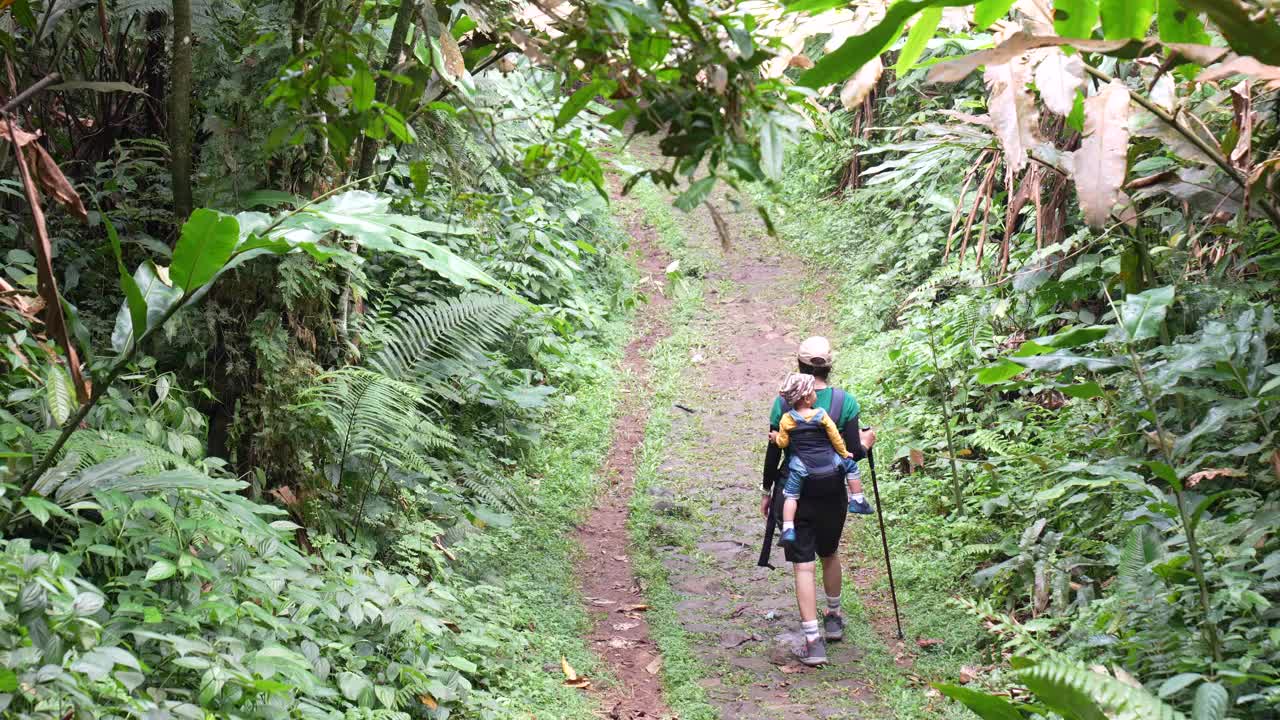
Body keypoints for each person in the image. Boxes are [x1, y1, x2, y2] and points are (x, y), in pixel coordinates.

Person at [760, 336, 876, 667]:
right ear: (829, 365)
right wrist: (867, 442)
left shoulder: (783, 402)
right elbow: (852, 452)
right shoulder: (844, 402)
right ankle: (834, 616)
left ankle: (813, 642)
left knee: (803, 565)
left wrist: (767, 491)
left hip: (793, 492)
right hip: (830, 492)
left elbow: (774, 451)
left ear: (799, 364)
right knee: (830, 553)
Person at [773, 372, 863, 546]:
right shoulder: (821, 414)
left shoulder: (787, 419)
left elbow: (783, 443)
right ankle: (858, 499)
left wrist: (776, 437)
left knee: (791, 495)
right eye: (813, 391)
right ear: (807, 398)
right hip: (829, 463)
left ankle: (788, 527)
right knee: (851, 467)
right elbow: (835, 437)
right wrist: (844, 453)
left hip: (800, 466)